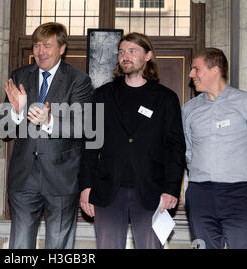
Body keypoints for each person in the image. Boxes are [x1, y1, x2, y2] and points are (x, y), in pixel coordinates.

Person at [78, 32, 186, 249]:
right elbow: (89, 144)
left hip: (151, 191)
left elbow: (175, 148)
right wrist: (85, 186)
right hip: (107, 190)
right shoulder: (102, 95)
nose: (125, 56)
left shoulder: (166, 98)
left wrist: (171, 188)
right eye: (121, 52)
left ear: (148, 56)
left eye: (132, 51)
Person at [0, 22, 93, 249]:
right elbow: (3, 128)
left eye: (47, 46)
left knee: (59, 247)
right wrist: (17, 112)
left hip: (62, 177)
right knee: (20, 246)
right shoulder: (19, 75)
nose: (40, 52)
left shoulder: (78, 80)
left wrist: (49, 122)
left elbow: (83, 126)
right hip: (24, 176)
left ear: (62, 48)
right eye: (37, 46)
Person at [182, 48, 247, 249]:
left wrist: (244, 181)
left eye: (196, 69)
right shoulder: (189, 109)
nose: (191, 74)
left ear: (215, 70)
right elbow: (188, 152)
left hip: (238, 194)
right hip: (200, 195)